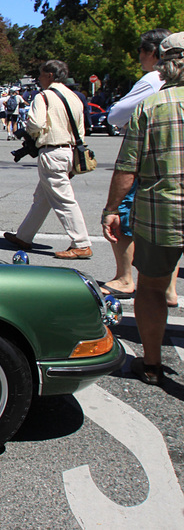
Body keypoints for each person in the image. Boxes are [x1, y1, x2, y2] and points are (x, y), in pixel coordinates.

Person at [101, 32, 184, 385]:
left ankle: (151, 364)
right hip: (161, 210)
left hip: (161, 210)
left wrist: (112, 208)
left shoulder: (151, 107)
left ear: (165, 67)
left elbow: (127, 168)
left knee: (150, 287)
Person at [100, 28, 174, 302]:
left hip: (146, 159)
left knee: (121, 214)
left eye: (141, 52)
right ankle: (169, 288)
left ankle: (125, 277)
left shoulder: (154, 79)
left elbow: (117, 116)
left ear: (153, 53)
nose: (139, 58)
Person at [4, 60, 91, 260]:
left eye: (41, 75)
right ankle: (24, 236)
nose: (39, 79)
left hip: (52, 151)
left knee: (63, 200)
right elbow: (81, 128)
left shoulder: (44, 97)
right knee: (42, 198)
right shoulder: (75, 97)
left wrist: (31, 134)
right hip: (69, 151)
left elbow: (35, 123)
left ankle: (81, 243)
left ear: (50, 75)